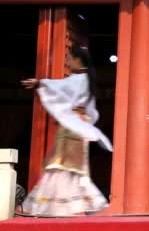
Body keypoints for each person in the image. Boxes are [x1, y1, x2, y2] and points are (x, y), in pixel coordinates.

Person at [20, 43, 112, 216]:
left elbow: (60, 87)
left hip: (71, 127)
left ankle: (60, 206)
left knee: (61, 164)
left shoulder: (78, 80)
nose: (68, 61)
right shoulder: (86, 80)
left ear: (77, 59)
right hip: (79, 124)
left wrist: (40, 83)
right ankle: (68, 206)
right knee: (71, 167)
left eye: (69, 58)